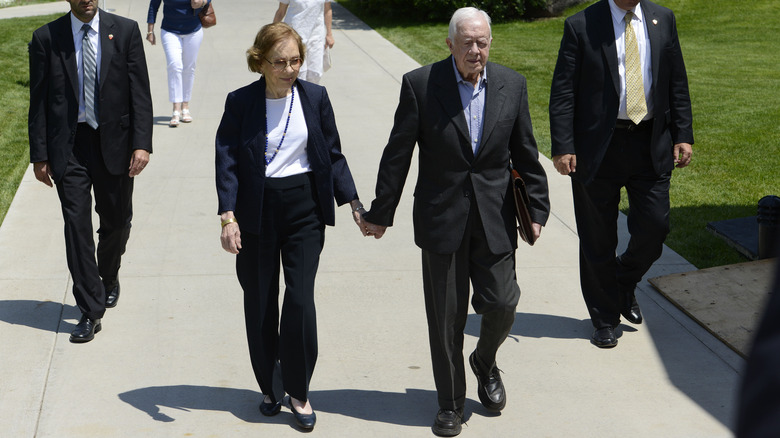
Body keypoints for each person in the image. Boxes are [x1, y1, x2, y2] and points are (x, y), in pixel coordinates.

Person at [361, 8, 550, 436]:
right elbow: (398, 154)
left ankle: (484, 360)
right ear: (449, 44)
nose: (475, 50)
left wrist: (536, 209)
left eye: (481, 42)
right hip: (441, 217)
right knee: (446, 318)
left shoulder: (511, 84)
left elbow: (526, 152)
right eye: (466, 42)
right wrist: (381, 213)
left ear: (490, 43)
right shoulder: (422, 85)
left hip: (495, 217)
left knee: (503, 304)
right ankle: (449, 403)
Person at [215, 22, 365, 432]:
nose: (290, 69)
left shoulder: (315, 98)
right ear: (260, 62)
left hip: (304, 211)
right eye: (279, 62)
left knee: (300, 301)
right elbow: (226, 160)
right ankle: (269, 384)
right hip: (255, 212)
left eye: (296, 60)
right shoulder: (241, 102)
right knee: (261, 300)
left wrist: (354, 202)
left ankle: (299, 390)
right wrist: (228, 216)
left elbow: (332, 155)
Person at [549, 0, 693, 348]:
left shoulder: (663, 19)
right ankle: (604, 318)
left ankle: (622, 280)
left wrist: (683, 134)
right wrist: (563, 144)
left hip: (650, 142)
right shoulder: (582, 24)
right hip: (598, 147)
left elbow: (676, 80)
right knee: (597, 236)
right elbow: (564, 90)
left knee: (655, 227)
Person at [28, 0, 153, 343]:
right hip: (69, 148)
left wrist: (142, 143)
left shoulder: (125, 31)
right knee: (77, 227)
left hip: (116, 142)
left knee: (116, 221)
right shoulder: (46, 38)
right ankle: (90, 309)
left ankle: (108, 276)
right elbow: (38, 101)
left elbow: (139, 91)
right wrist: (39, 154)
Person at [146, 0, 211, 127]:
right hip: (169, 31)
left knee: (189, 68)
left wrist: (202, 2)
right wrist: (150, 31)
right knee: (174, 66)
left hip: (193, 31)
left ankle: (185, 106)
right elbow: (154, 6)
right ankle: (176, 109)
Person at [272, 0, 334, 84]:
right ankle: (298, 95)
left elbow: (327, 9)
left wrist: (329, 34)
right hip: (294, 37)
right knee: (299, 73)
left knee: (315, 73)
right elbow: (281, 11)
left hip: (316, 36)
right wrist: (272, 34)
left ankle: (311, 96)